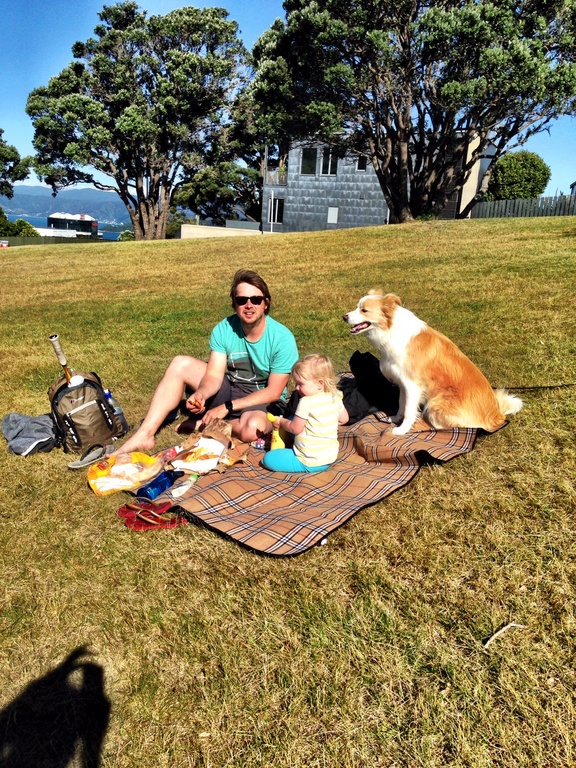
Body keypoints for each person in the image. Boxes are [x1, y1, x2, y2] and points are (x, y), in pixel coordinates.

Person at [117, 269, 299, 453]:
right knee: (180, 364)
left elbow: (273, 392)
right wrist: (202, 394)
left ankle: (204, 424)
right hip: (231, 388)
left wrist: (227, 407)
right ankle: (145, 434)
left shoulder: (282, 338)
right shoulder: (225, 328)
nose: (249, 305)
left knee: (252, 429)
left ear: (266, 303)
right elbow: (213, 375)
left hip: (262, 401)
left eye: (256, 300)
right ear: (234, 304)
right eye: (242, 300)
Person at [262, 354, 349, 473]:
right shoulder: (335, 396)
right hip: (329, 458)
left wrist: (281, 421)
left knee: (268, 459)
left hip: (307, 461)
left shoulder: (306, 402)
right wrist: (323, 424)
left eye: (300, 384)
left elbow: (295, 428)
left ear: (320, 383)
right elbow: (344, 419)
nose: (296, 388)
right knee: (292, 418)